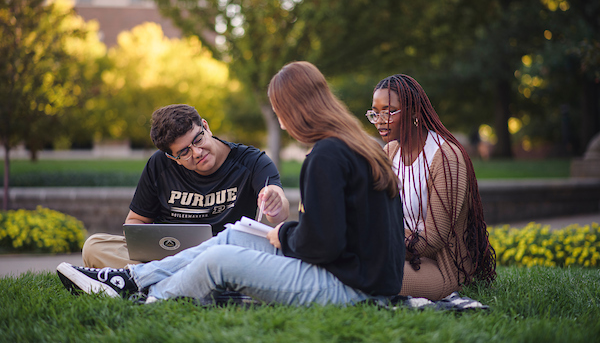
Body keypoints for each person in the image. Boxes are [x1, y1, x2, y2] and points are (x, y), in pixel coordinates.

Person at [56, 61, 405, 307]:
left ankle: (147, 298)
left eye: (279, 114)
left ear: (295, 111)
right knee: (235, 236)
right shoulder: (358, 144)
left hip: (355, 290)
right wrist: (285, 235)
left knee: (220, 258)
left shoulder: (326, 155)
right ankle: (130, 280)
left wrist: (282, 234)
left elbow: (323, 245)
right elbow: (335, 234)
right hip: (360, 277)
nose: (282, 126)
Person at [82, 104, 290, 269]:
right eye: (184, 152)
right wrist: (151, 245)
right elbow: (136, 221)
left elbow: (279, 214)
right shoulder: (159, 165)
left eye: (198, 140)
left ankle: (152, 277)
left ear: (206, 127)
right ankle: (174, 276)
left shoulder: (252, 161)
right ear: (172, 157)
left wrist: (274, 202)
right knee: (94, 247)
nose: (197, 152)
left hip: (223, 256)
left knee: (258, 258)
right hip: (166, 256)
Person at [367, 74, 496, 301]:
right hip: (399, 253)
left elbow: (434, 239)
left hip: (442, 268)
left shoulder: (445, 157)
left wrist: (381, 240)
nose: (379, 120)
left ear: (415, 111)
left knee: (365, 273)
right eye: (375, 113)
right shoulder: (390, 153)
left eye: (389, 111)